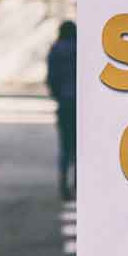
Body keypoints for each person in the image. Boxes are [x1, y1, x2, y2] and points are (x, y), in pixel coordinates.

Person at [47, 21, 77, 201]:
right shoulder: (83, 49)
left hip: (65, 103)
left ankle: (64, 184)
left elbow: (51, 78)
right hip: (82, 105)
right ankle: (79, 183)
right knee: (81, 149)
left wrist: (58, 94)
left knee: (65, 147)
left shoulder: (56, 49)